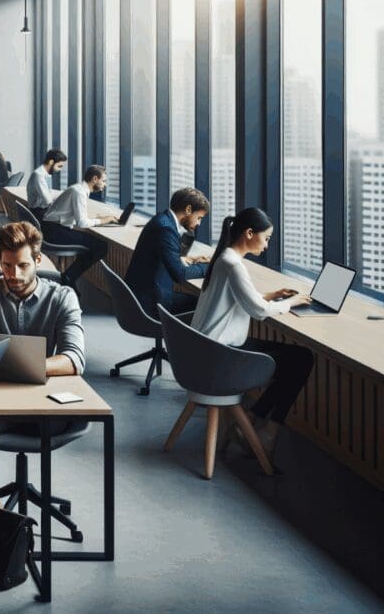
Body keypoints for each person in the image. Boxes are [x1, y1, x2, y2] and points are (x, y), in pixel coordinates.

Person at [0, 222, 86, 463]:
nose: (14, 275)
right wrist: (26, 364)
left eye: (23, 265)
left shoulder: (63, 297)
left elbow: (74, 359)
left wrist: (5, 362)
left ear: (38, 260)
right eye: (7, 265)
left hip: (45, 403)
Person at [191, 208, 314, 459]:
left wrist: (273, 294)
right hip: (218, 357)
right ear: (249, 233)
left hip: (207, 350)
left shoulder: (224, 258)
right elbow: (258, 311)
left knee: (295, 358)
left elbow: (242, 299)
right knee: (302, 360)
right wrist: (292, 302)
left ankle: (252, 419)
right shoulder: (233, 264)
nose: (267, 245)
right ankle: (266, 433)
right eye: (266, 238)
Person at [124, 187, 212, 317]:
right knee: (205, 306)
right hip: (148, 303)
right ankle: (184, 338)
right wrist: (211, 267)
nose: (199, 223)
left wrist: (190, 260)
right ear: (188, 210)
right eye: (199, 217)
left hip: (139, 294)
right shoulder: (166, 229)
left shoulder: (162, 219)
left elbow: (161, 255)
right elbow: (180, 275)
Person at [40, 165, 111, 287]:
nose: (105, 185)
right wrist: (103, 221)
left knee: (92, 243)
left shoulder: (78, 189)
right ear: (94, 179)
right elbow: (82, 223)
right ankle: (68, 277)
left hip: (51, 227)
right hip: (54, 232)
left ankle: (69, 276)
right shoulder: (79, 192)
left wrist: (98, 219)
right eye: (103, 181)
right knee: (101, 246)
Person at [26, 149, 67, 219]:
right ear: (51, 162)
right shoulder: (39, 175)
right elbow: (48, 201)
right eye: (59, 166)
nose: (60, 169)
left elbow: (49, 193)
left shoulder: (43, 174)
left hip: (41, 211)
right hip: (39, 213)